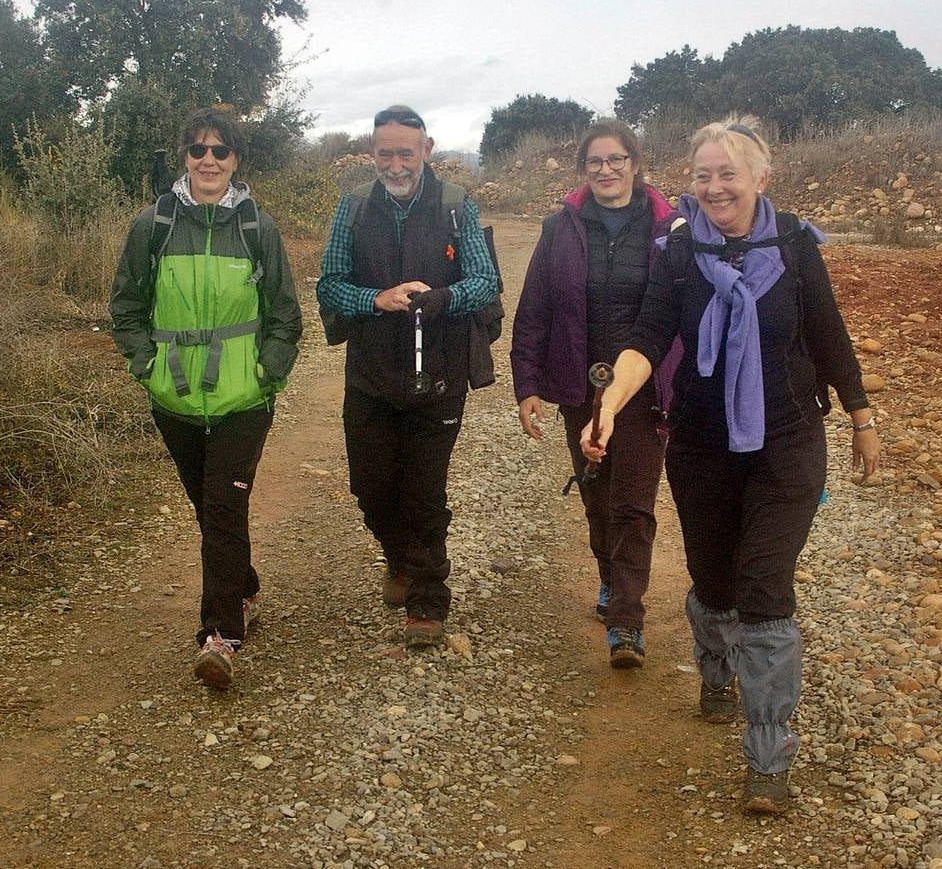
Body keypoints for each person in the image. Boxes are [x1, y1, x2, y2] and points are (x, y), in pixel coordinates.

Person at [581, 116, 879, 813]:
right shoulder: (680, 252)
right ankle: (716, 671)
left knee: (764, 583)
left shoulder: (797, 244)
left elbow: (829, 336)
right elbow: (648, 336)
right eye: (703, 175)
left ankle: (768, 757)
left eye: (728, 174)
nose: (714, 187)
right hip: (702, 444)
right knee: (715, 581)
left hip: (789, 442)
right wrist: (612, 403)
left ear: (760, 179)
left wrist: (862, 417)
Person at [109, 107, 302, 691]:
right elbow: (126, 307)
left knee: (222, 509)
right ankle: (241, 589)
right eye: (198, 150)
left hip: (244, 399)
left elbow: (285, 314)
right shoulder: (154, 225)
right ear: (184, 158)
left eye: (220, 150)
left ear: (236, 159)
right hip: (175, 398)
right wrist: (146, 366)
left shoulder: (257, 228)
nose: (209, 160)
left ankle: (219, 637)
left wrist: (268, 375)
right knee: (208, 507)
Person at [316, 105, 496, 648]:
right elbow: (329, 286)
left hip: (440, 376)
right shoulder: (352, 209)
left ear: (427, 149)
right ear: (372, 153)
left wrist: (442, 298)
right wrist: (377, 299)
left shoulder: (457, 207)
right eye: (385, 152)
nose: (396, 163)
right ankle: (399, 556)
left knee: (423, 490)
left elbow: (486, 283)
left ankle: (427, 598)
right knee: (368, 487)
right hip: (370, 375)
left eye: (406, 152)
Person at [511, 119, 681, 669]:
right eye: (595, 162)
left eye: (616, 160)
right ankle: (610, 579)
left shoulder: (667, 228)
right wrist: (527, 385)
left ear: (635, 162)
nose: (606, 170)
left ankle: (627, 622)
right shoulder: (560, 227)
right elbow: (535, 309)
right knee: (597, 495)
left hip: (645, 387)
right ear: (584, 170)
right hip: (578, 384)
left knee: (633, 501)